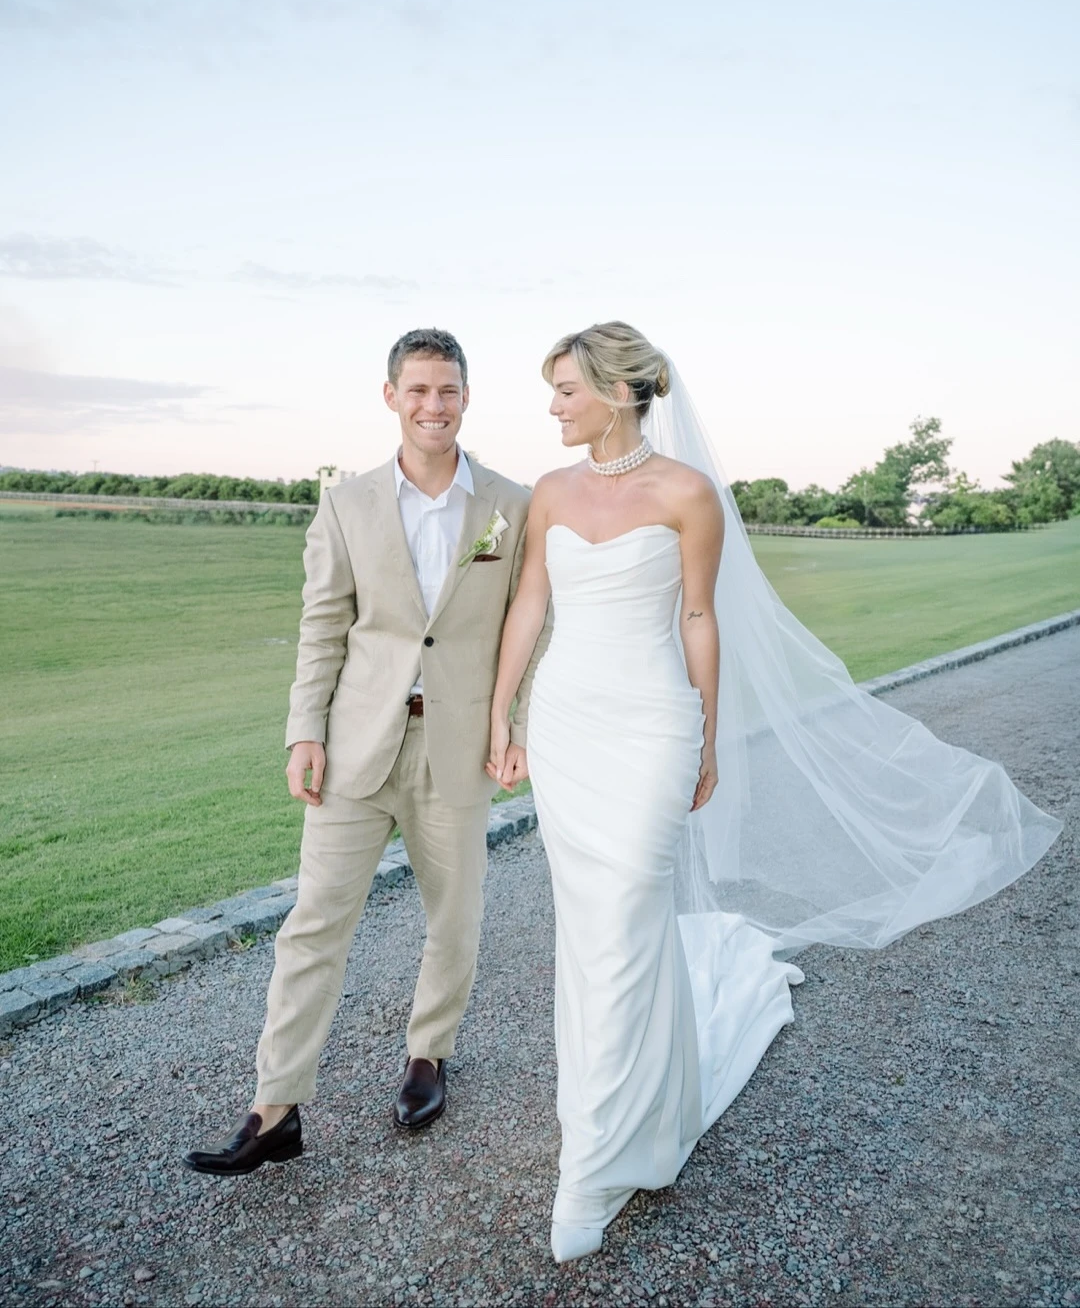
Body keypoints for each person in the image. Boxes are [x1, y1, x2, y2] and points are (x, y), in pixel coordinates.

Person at [487, 321, 1061, 1263]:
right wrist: (502, 713)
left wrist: (707, 736)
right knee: (591, 928)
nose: (552, 406)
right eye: (551, 390)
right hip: (566, 728)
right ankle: (627, 1111)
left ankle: (591, 1163)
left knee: (627, 909)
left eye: (565, 389)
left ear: (619, 392)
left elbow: (699, 617)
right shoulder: (550, 492)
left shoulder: (688, 494)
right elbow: (531, 604)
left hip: (652, 725)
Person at [183, 328, 548, 1176]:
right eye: (417, 389)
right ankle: (276, 1107)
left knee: (453, 917)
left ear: (467, 397)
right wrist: (304, 730)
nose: (433, 405)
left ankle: (429, 1055)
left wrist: (517, 727)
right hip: (356, 744)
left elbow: (532, 627)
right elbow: (322, 627)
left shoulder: (513, 503)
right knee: (314, 923)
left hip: (460, 744)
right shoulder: (346, 503)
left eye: (447, 390)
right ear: (391, 397)